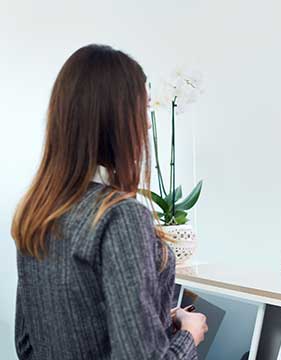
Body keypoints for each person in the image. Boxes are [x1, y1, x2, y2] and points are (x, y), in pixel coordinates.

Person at [11, 44, 207, 359]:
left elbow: (28, 346)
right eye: (141, 110)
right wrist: (188, 336)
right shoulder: (122, 217)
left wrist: (158, 321)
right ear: (116, 120)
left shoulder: (37, 212)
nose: (145, 124)